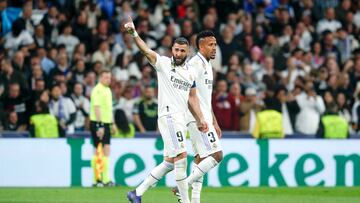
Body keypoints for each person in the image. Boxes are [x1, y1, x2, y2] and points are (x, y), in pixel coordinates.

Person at [124, 16, 208, 203]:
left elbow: (192, 98)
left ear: (187, 52)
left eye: (182, 51)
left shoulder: (189, 73)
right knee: (182, 157)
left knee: (170, 162)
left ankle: (137, 193)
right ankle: (186, 201)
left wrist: (200, 119)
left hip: (181, 119)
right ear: (172, 50)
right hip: (168, 116)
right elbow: (146, 51)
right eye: (176, 50)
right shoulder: (162, 63)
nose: (178, 53)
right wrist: (134, 34)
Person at [175, 30, 224, 203]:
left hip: (204, 117)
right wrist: (198, 118)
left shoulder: (207, 65)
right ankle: (183, 186)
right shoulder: (195, 63)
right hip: (196, 118)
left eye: (215, 44)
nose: (214, 48)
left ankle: (194, 200)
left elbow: (205, 97)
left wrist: (214, 121)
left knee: (201, 158)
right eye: (210, 44)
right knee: (217, 155)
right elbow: (188, 92)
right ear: (201, 46)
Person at [89, 69, 115, 187]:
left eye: (109, 78)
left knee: (104, 150)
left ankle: (101, 179)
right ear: (100, 78)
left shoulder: (108, 90)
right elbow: (97, 108)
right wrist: (100, 125)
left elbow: (108, 109)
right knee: (99, 149)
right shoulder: (97, 90)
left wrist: (112, 123)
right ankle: (100, 179)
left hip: (106, 123)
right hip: (98, 123)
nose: (108, 80)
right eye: (105, 77)